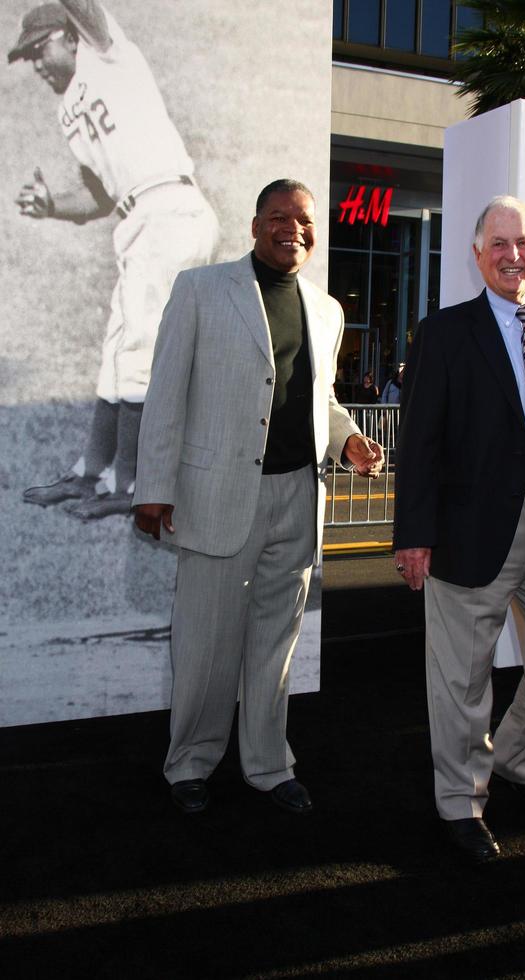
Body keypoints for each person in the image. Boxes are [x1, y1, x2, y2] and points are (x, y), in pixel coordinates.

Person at [133, 179, 384, 815]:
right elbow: (166, 394)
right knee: (205, 643)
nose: (291, 229)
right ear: (254, 226)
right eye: (279, 218)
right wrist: (155, 488)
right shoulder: (200, 290)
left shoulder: (326, 310)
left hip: (297, 499)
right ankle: (190, 762)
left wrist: (348, 441)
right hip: (217, 495)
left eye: (303, 220)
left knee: (277, 644)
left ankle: (269, 764)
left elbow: (319, 400)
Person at [393, 195, 525, 865]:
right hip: (468, 531)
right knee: (462, 678)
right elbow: (419, 443)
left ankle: (512, 756)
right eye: (499, 244)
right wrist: (413, 534)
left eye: (524, 244)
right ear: (478, 255)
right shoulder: (445, 334)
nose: (513, 255)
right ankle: (460, 801)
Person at [9, 1, 219, 519]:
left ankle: (131, 483)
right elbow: (99, 195)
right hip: (137, 220)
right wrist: (52, 205)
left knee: (140, 352)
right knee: (116, 351)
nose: (36, 64)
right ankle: (90, 471)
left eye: (40, 49)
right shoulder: (67, 111)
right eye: (28, 56)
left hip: (170, 209)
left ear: (69, 35)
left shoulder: (107, 55)